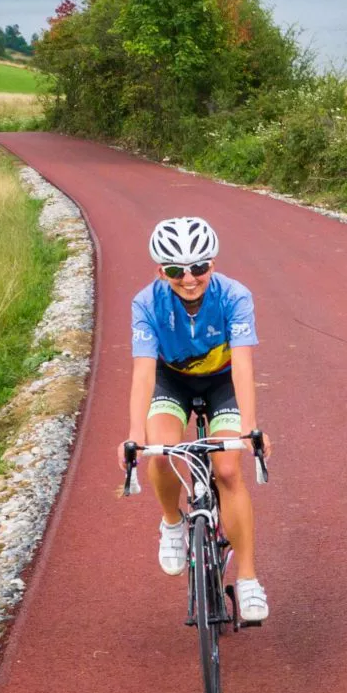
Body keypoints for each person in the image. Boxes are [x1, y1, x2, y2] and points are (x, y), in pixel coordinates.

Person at [128, 215, 267, 623]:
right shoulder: (146, 303)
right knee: (163, 452)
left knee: (227, 469)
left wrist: (250, 429)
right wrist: (134, 434)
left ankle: (247, 579)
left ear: (213, 263)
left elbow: (242, 365)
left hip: (222, 382)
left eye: (199, 267)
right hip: (172, 382)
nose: (189, 279)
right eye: (175, 270)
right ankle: (172, 523)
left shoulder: (235, 296)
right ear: (161, 271)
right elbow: (142, 372)